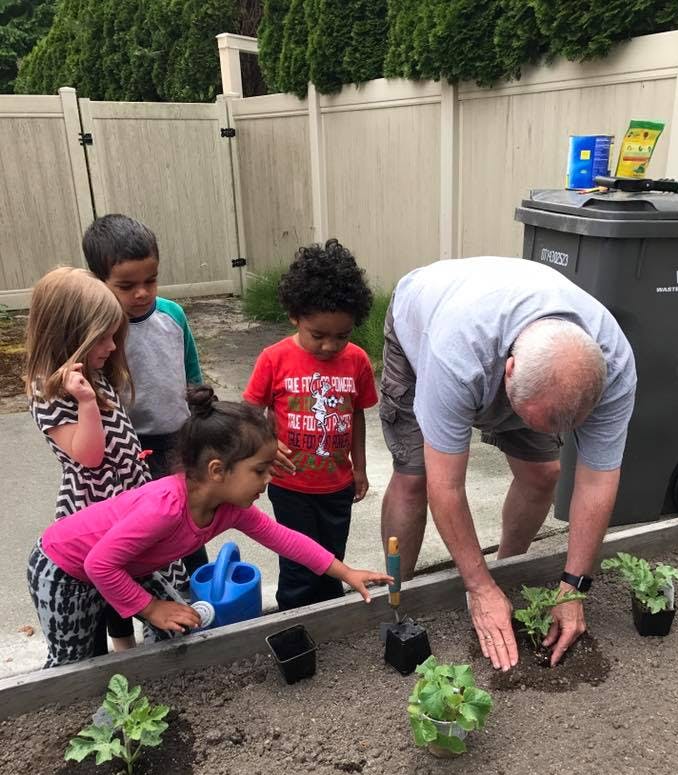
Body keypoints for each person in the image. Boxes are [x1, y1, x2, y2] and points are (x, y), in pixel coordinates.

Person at [379, 256, 637, 671]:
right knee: (414, 476)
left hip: (521, 346)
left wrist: (573, 589)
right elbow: (446, 487)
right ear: (510, 371)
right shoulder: (456, 356)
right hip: (423, 320)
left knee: (542, 473)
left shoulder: (614, 367)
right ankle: (398, 598)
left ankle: (506, 572)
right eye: (524, 414)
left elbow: (597, 480)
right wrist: (475, 587)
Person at [27, 386, 392, 668]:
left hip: (122, 565)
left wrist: (346, 572)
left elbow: (286, 540)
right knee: (72, 662)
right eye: (259, 470)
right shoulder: (166, 508)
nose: (267, 480)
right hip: (63, 568)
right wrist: (151, 607)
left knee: (174, 624)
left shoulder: (228, 508)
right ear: (218, 470)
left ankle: (157, 684)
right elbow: (98, 564)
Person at [24, 266, 184, 656]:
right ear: (69, 336)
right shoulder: (48, 390)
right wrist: (86, 403)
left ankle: (152, 656)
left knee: (157, 586)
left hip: (133, 497)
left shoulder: (94, 373)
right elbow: (89, 456)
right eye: (104, 337)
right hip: (98, 509)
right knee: (98, 601)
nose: (113, 346)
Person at [244, 239, 378, 610]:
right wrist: (267, 445)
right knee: (299, 567)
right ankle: (293, 625)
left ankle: (329, 621)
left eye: (342, 335)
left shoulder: (358, 362)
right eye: (318, 335)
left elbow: (356, 415)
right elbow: (251, 412)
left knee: (332, 561)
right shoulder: (274, 359)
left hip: (336, 485)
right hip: (291, 486)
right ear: (295, 316)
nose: (330, 346)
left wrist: (360, 468)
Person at [82, 213, 208, 575]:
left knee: (189, 520)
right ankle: (140, 610)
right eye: (126, 285)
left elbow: (191, 372)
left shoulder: (173, 315)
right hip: (127, 448)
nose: (141, 292)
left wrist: (200, 420)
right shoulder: (100, 330)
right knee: (141, 530)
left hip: (178, 440)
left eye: (150, 280)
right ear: (99, 281)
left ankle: (199, 589)